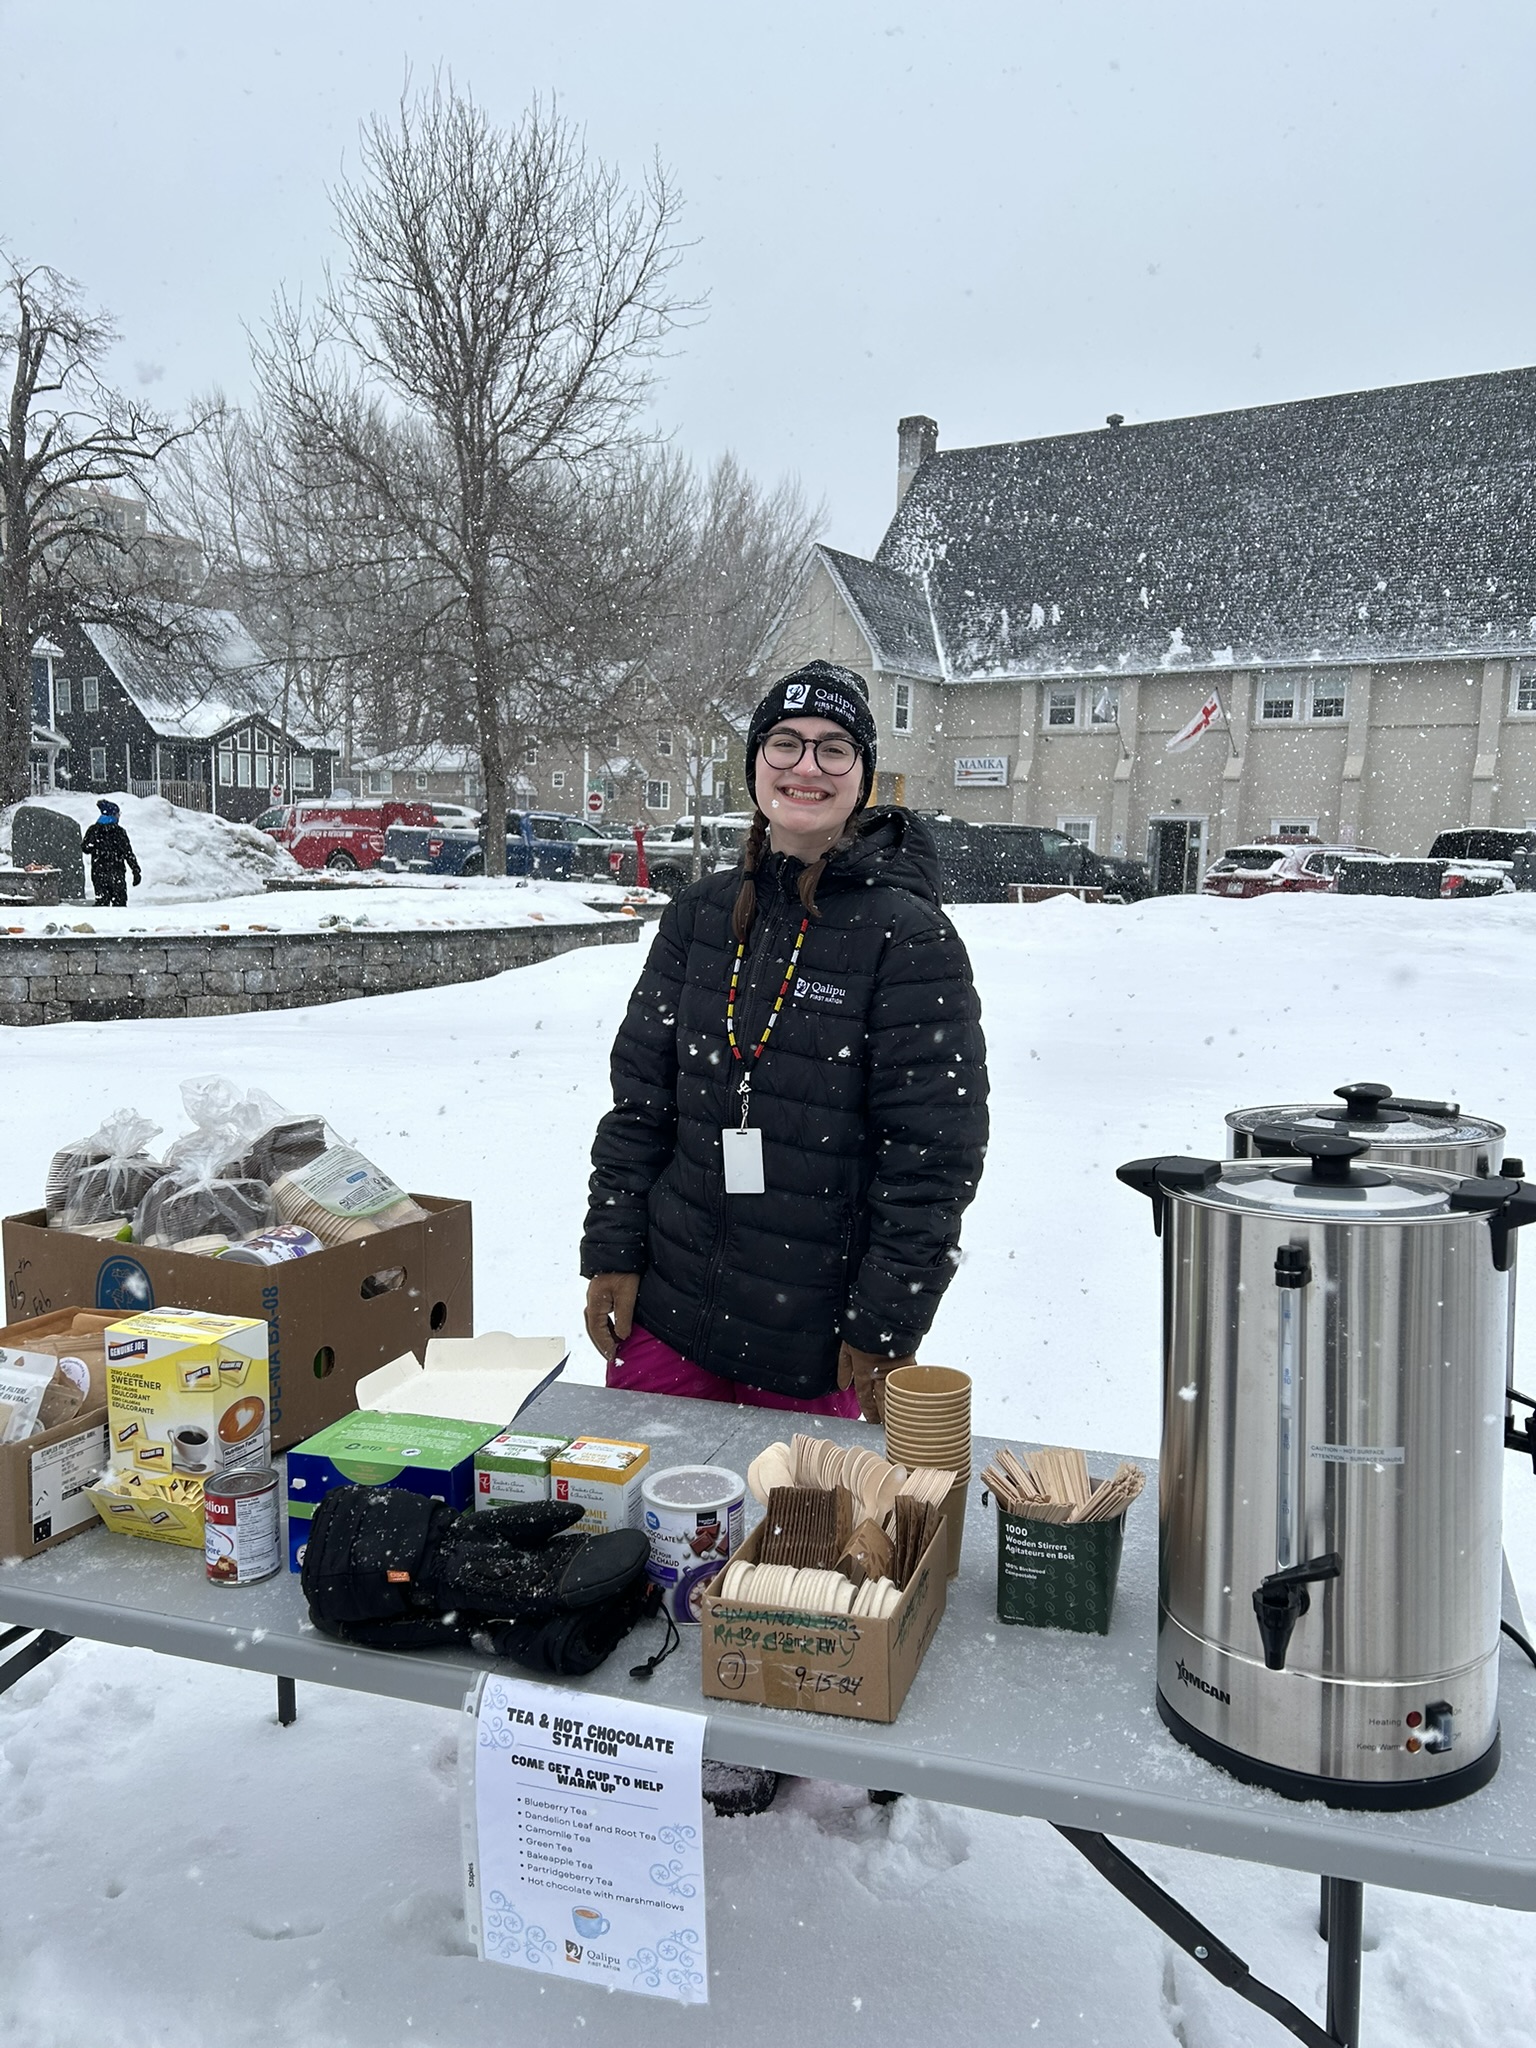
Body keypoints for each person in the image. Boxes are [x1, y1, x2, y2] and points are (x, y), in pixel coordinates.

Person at [582, 656, 989, 1425]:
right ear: (756, 766)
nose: (807, 766)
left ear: (863, 776)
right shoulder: (698, 915)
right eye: (785, 743)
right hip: (670, 1316)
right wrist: (612, 1249)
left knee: (796, 1542)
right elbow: (640, 1105)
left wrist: (888, 1323)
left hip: (819, 1345)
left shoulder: (907, 937)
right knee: (642, 1526)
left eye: (834, 747)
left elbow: (932, 1156)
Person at [81, 799, 141, 908]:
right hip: (117, 873)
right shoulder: (119, 832)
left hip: (99, 873)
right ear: (113, 815)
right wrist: (135, 870)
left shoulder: (94, 830)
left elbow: (85, 848)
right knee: (119, 904)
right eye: (118, 814)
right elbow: (128, 853)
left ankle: (103, 924)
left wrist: (93, 843)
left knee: (101, 904)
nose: (119, 816)